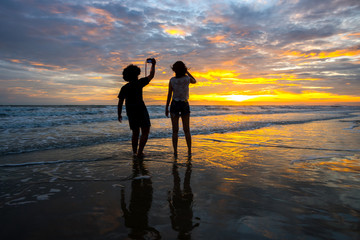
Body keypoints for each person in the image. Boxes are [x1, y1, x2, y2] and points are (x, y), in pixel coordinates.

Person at [118, 58, 156, 157]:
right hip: (141, 110)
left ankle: (134, 152)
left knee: (135, 132)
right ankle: (140, 152)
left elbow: (120, 101)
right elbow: (151, 75)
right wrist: (153, 65)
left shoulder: (124, 87)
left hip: (130, 111)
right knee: (145, 131)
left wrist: (119, 114)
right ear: (137, 74)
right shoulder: (139, 83)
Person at [165, 61, 196, 156]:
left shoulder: (172, 80)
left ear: (174, 69)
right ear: (184, 69)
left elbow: (169, 94)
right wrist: (187, 72)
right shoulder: (187, 78)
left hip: (174, 104)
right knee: (186, 130)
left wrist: (166, 107)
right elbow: (194, 81)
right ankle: (189, 150)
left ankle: (175, 151)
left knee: (175, 130)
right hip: (184, 104)